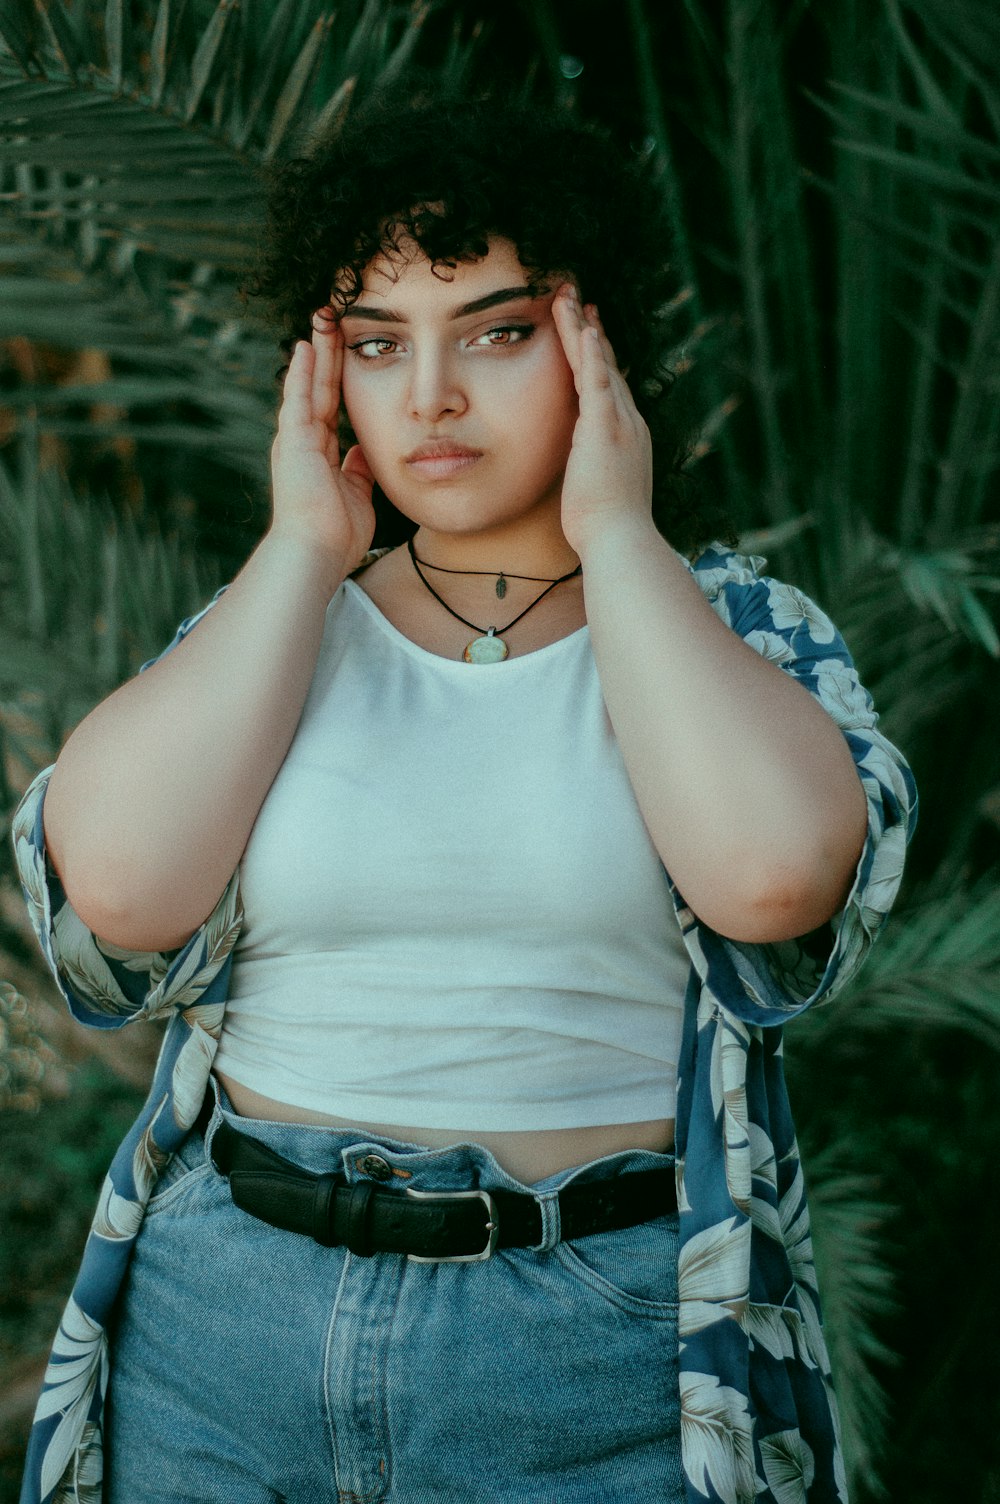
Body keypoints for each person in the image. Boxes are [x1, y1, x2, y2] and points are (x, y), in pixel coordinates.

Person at [12, 93, 916, 1504]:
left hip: (580, 1351)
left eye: (494, 332)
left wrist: (617, 532)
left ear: (596, 340)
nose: (429, 395)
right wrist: (304, 546)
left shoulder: (742, 635)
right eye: (378, 344)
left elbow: (776, 883)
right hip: (225, 1329)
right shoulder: (269, 628)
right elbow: (114, 902)